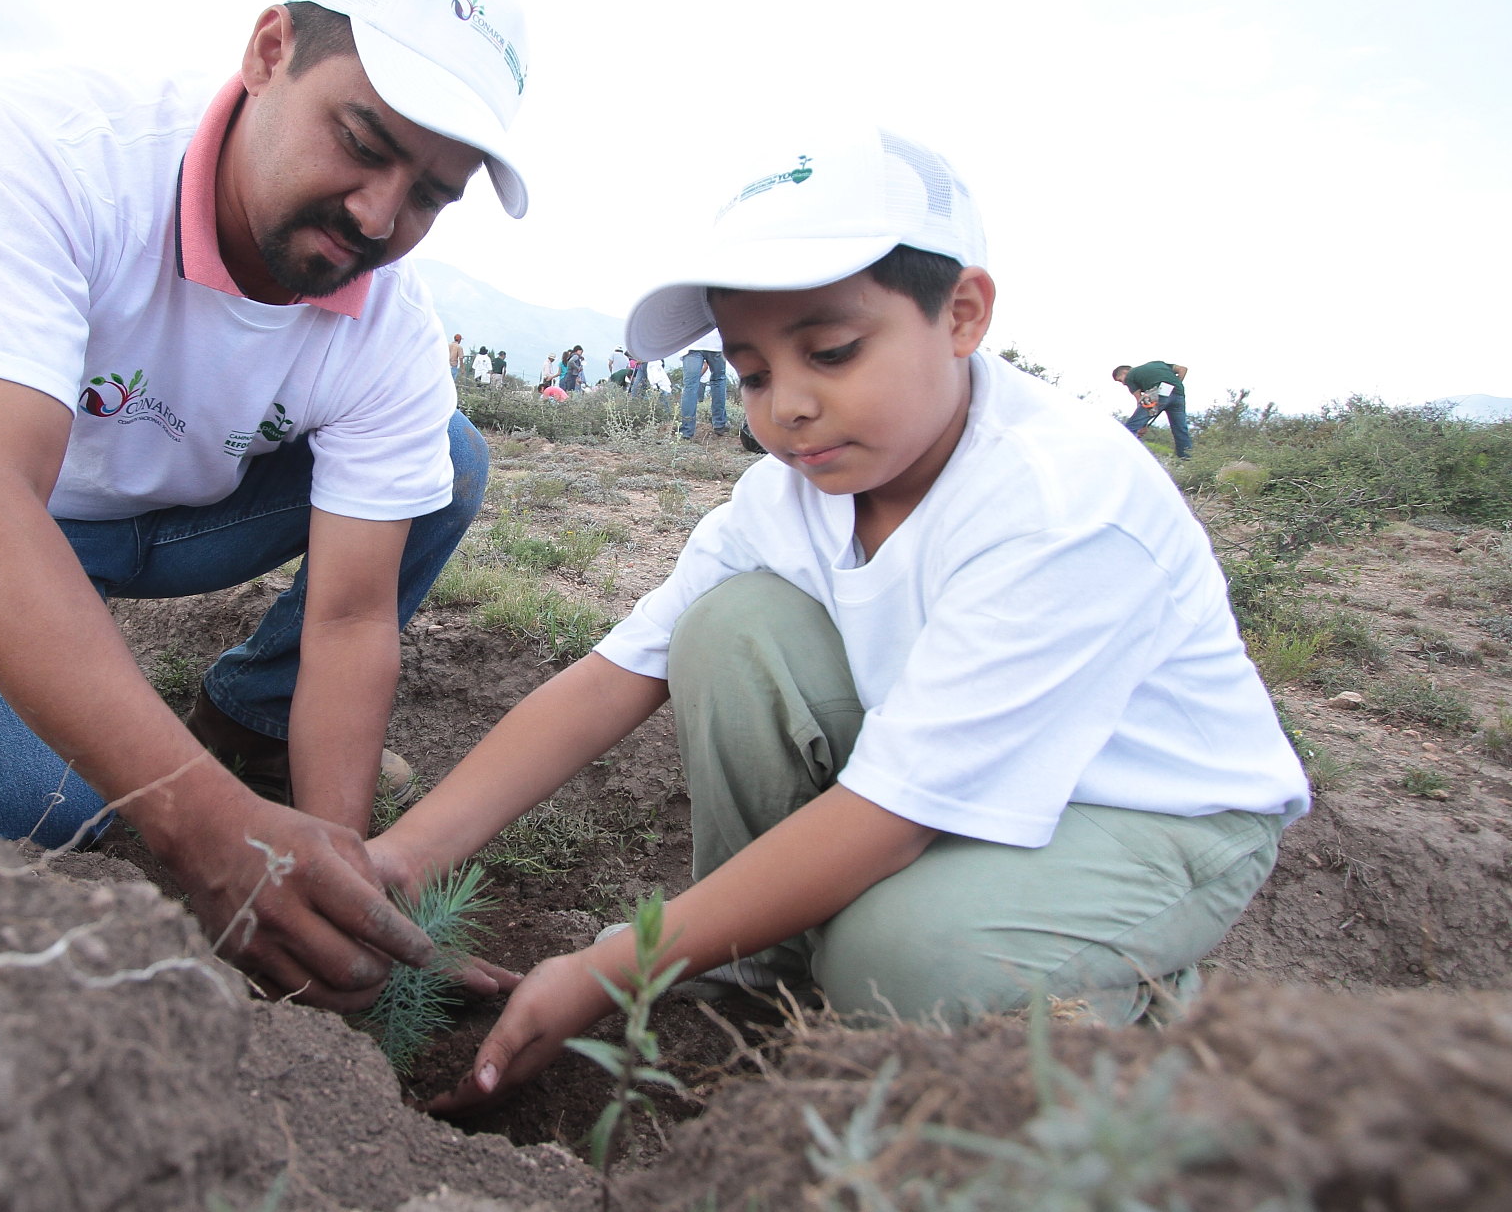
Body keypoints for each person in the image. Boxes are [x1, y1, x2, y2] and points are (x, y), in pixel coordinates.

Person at [369, 128, 1307, 1108]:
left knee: (897, 959)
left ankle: (1154, 1033)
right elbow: (612, 677)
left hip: (1146, 819)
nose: (789, 409)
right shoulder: (794, 492)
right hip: (951, 780)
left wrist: (618, 965)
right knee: (728, 629)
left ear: (961, 314)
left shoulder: (1057, 505)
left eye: (829, 351)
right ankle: (756, 973)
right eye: (754, 372)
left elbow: (889, 816)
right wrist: (402, 856)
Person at [0, 0, 534, 1011]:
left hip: (184, 518)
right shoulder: (45, 148)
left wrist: (333, 882)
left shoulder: (391, 326)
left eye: (426, 195)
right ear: (269, 51)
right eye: (361, 141)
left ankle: (243, 722)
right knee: (39, 810)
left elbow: (353, 621)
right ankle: (174, 770)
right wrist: (200, 823)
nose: (376, 215)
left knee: (441, 461)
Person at [1114, 360, 1192, 458]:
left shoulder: (1130, 376)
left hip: (1159, 393)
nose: (1123, 384)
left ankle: (1121, 455)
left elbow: (1140, 401)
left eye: (1120, 380)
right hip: (1179, 394)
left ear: (1125, 372)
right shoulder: (1158, 363)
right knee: (1180, 429)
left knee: (1131, 427)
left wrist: (1143, 425)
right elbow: (1182, 369)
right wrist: (1175, 385)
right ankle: (1187, 459)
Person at [677, 329, 731, 440]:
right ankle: (719, 424)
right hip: (715, 341)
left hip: (692, 341)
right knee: (718, 380)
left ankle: (686, 431)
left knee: (690, 386)